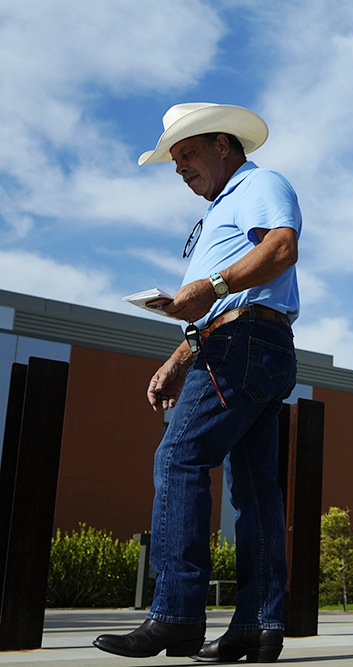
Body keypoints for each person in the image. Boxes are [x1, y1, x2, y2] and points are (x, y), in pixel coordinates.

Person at [94, 103, 301, 663]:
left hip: (246, 346)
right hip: (248, 343)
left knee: (178, 459)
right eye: (174, 159)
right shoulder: (222, 212)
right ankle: (258, 628)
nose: (179, 167)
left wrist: (208, 285)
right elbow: (225, 303)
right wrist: (179, 357)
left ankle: (176, 614)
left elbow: (281, 249)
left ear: (223, 146)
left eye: (187, 153)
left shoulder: (260, 183)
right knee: (256, 488)